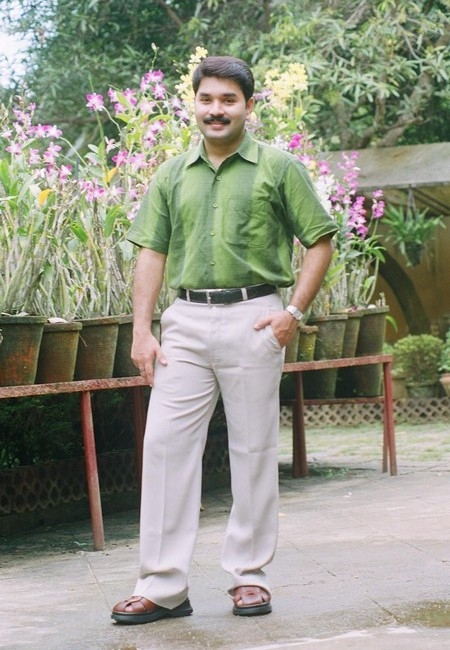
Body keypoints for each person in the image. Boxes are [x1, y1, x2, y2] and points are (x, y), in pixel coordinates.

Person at [111, 55, 337, 625]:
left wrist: (292, 313)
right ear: (194, 103)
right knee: (164, 448)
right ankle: (163, 586)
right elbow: (152, 252)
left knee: (253, 449)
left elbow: (319, 240)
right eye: (207, 99)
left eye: (228, 100)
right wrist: (142, 330)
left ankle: (249, 577)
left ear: (248, 106)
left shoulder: (279, 167)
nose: (216, 110)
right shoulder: (171, 174)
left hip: (255, 317)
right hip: (184, 322)